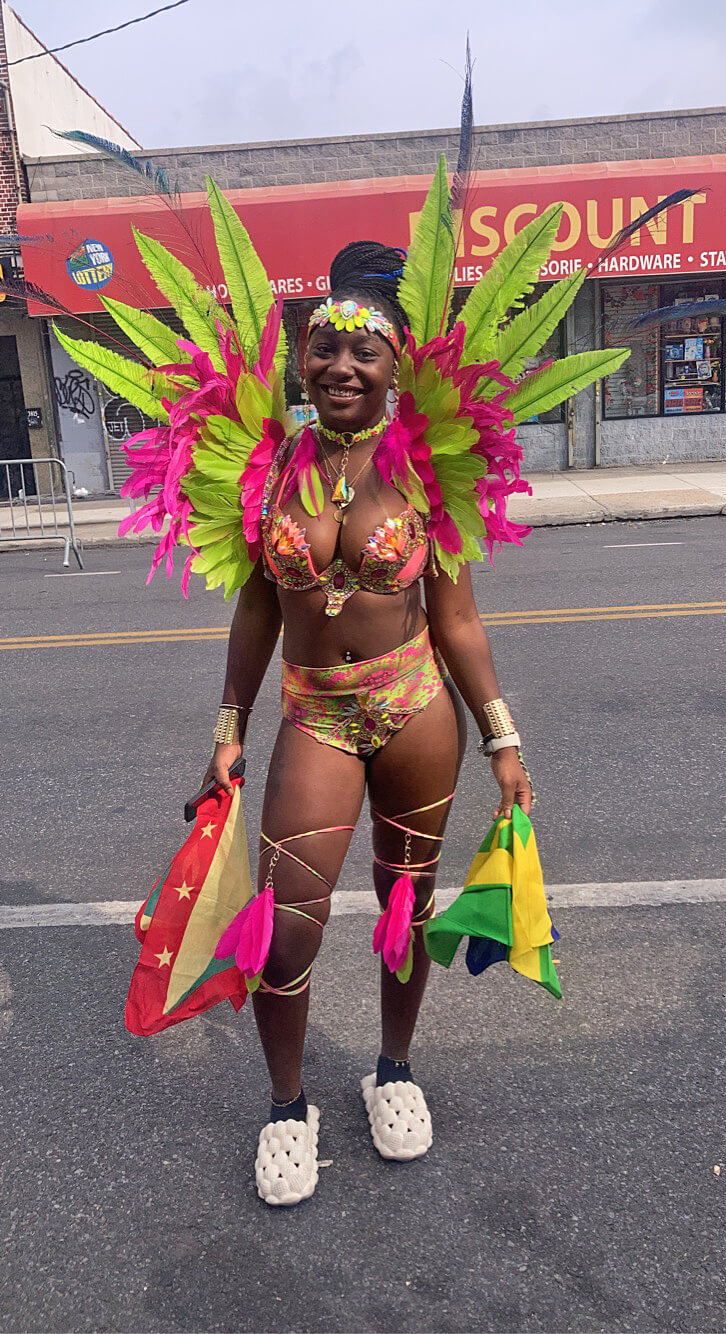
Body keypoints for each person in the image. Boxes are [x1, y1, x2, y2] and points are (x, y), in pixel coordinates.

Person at [201, 240, 533, 1203]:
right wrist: (230, 726)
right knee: (288, 927)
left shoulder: (430, 471)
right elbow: (257, 607)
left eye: (366, 350)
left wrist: (502, 735)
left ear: (397, 368)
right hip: (317, 714)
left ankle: (392, 1071)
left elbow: (458, 617)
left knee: (404, 908)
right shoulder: (265, 468)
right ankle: (285, 1106)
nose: (341, 365)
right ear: (301, 359)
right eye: (324, 346)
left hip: (417, 709)